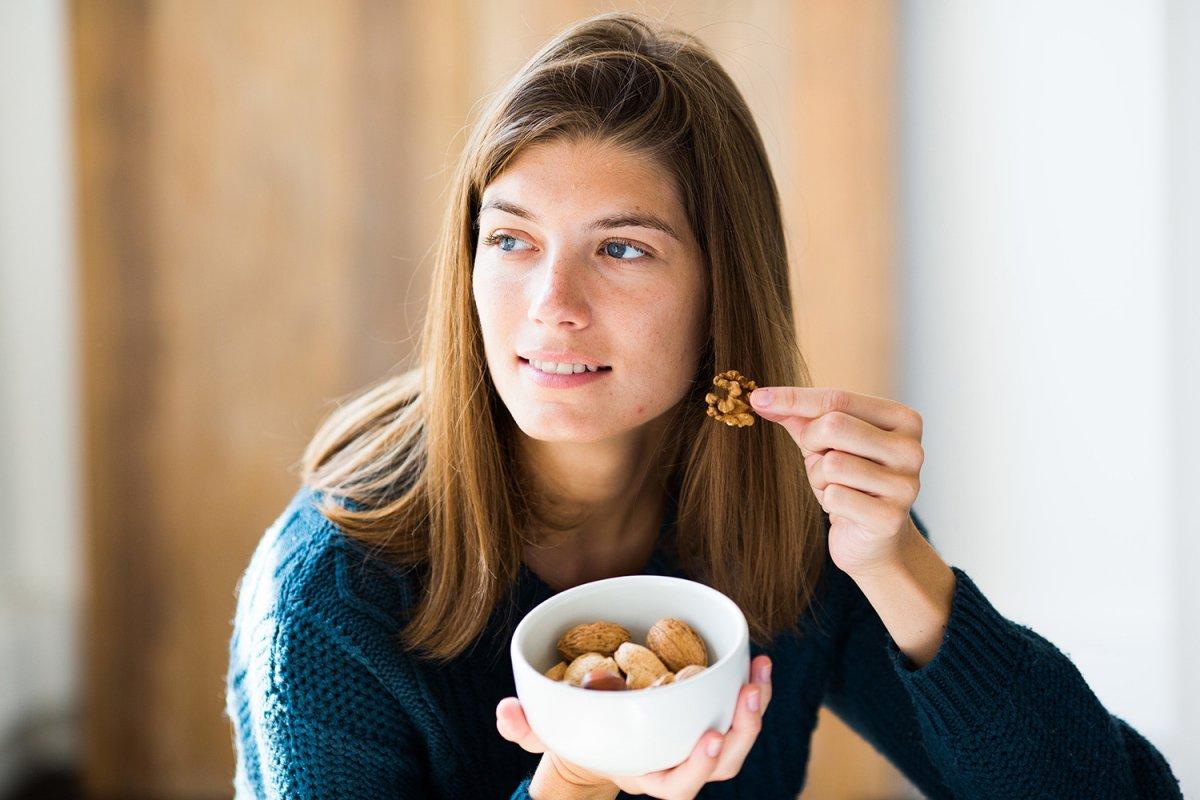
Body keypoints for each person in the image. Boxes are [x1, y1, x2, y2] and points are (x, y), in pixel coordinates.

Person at [224, 11, 1183, 800]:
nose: (551, 304)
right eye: (511, 240)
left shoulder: (796, 515)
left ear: (724, 291)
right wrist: (574, 780)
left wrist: (900, 568)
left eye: (622, 249)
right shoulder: (331, 592)